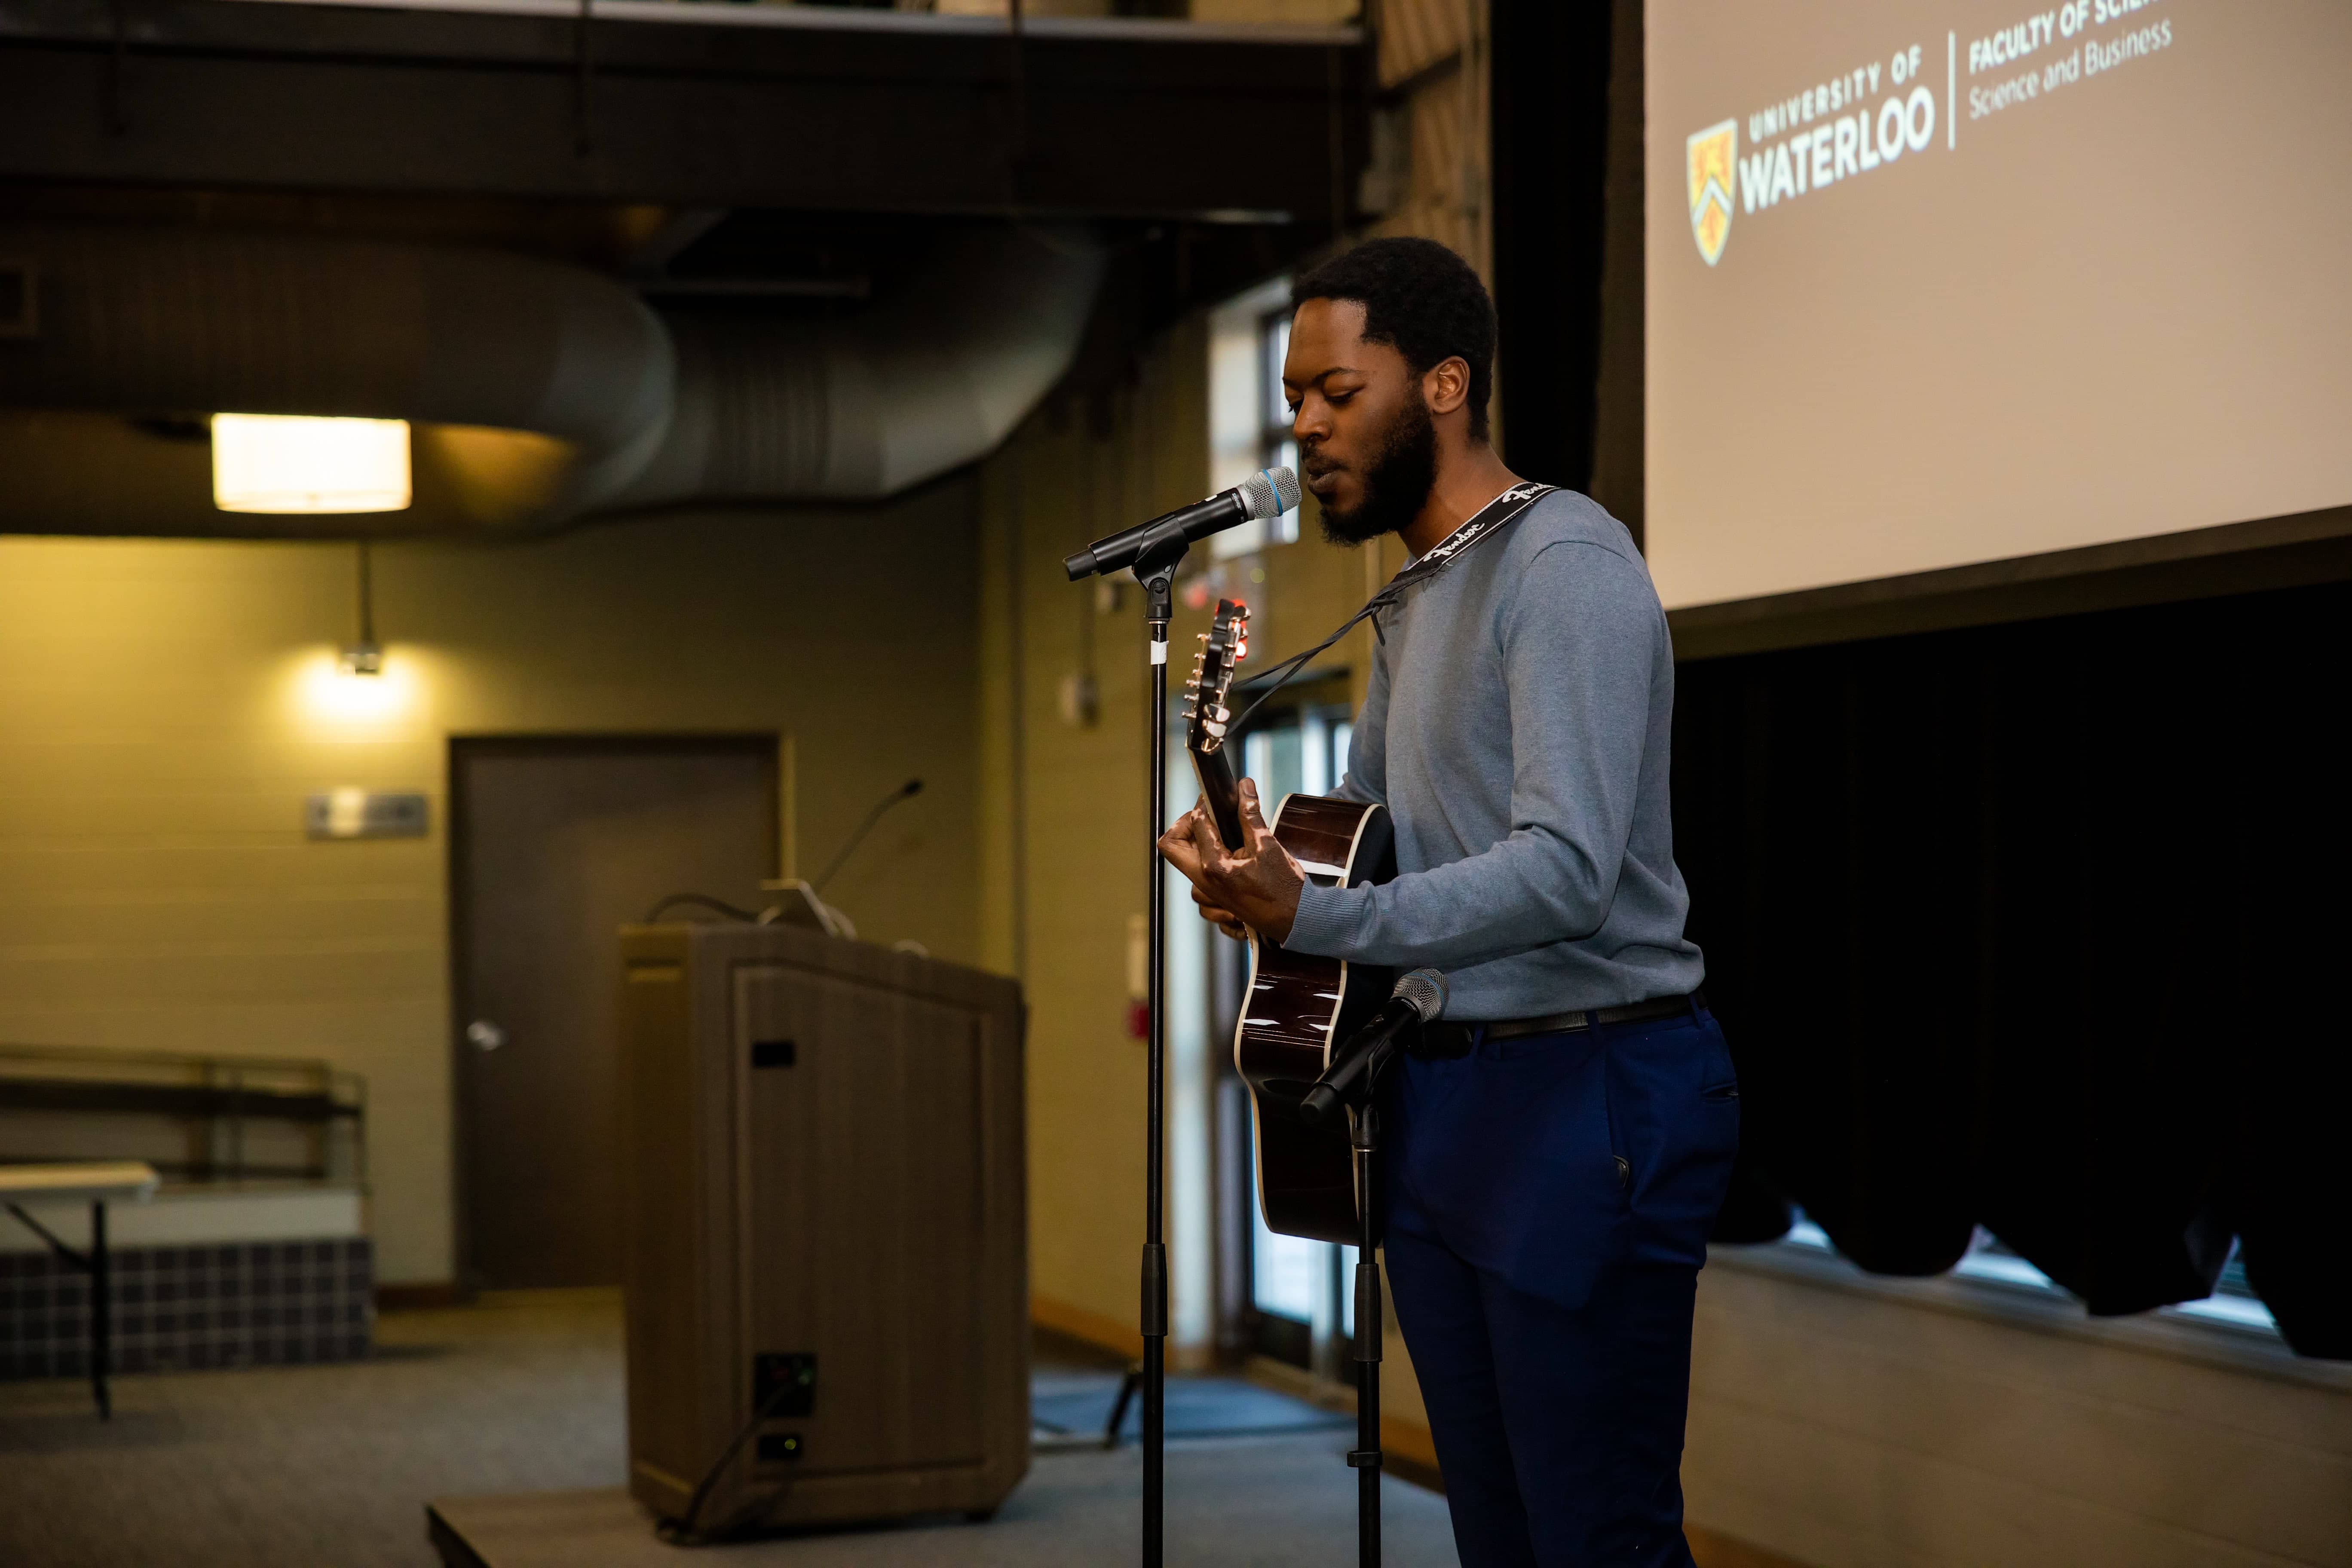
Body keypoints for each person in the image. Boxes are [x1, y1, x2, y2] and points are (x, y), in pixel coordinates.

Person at [1158, 236, 1737, 1568]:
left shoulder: (1565, 565)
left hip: (1588, 1094)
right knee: (1498, 1533)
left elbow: (1569, 871)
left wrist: (1315, 922)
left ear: (1444, 386)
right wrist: (1260, 875)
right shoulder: (1413, 594)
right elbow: (1366, 845)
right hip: (1449, 1100)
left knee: (1596, 1536)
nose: (1304, 425)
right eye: (1293, 396)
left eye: (1335, 391)